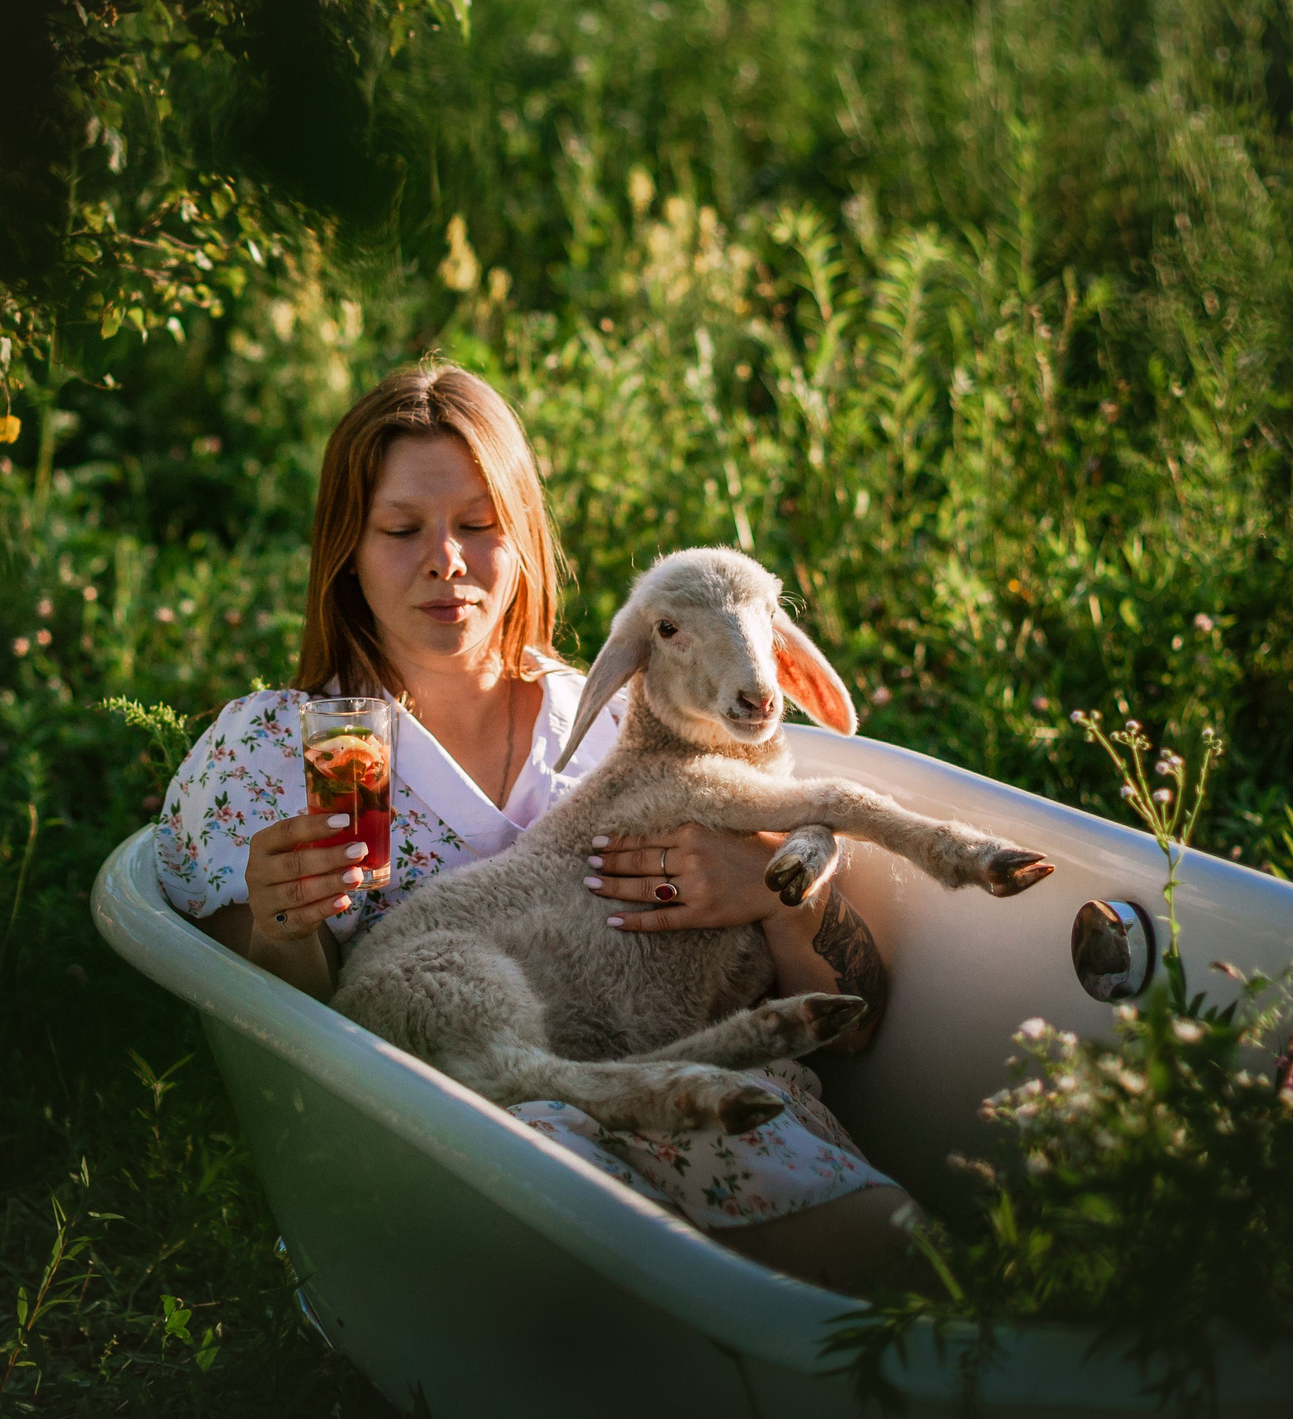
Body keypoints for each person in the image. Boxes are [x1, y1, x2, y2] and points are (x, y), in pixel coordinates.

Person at [153, 362, 914, 1288]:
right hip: (466, 1140)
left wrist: (776, 895)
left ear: (523, 539)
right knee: (576, 1184)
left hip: (713, 1088)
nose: (448, 559)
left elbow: (855, 1025)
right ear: (345, 548)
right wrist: (287, 925)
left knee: (900, 1265)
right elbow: (288, 1069)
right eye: (402, 529)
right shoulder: (269, 756)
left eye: (480, 525)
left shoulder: (641, 715)